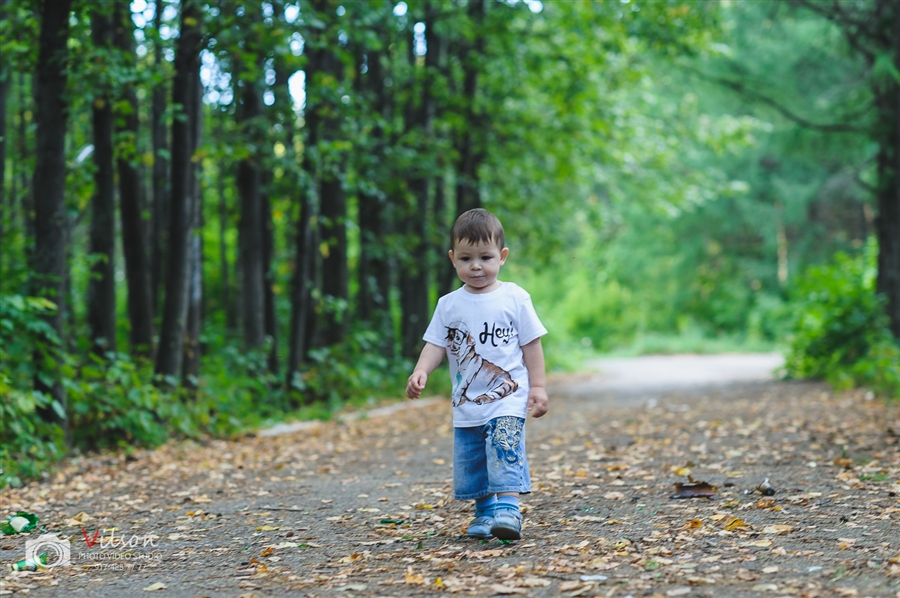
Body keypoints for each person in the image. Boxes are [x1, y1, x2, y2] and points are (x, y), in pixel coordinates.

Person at [405, 208, 548, 541]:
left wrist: (538, 386)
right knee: (473, 457)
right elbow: (435, 345)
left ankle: (509, 510)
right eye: (467, 258)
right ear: (453, 259)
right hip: (467, 404)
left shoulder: (515, 297)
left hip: (507, 400)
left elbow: (532, 345)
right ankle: (484, 512)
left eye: (486, 257)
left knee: (504, 446)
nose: (476, 266)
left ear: (503, 256)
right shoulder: (448, 304)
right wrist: (420, 370)